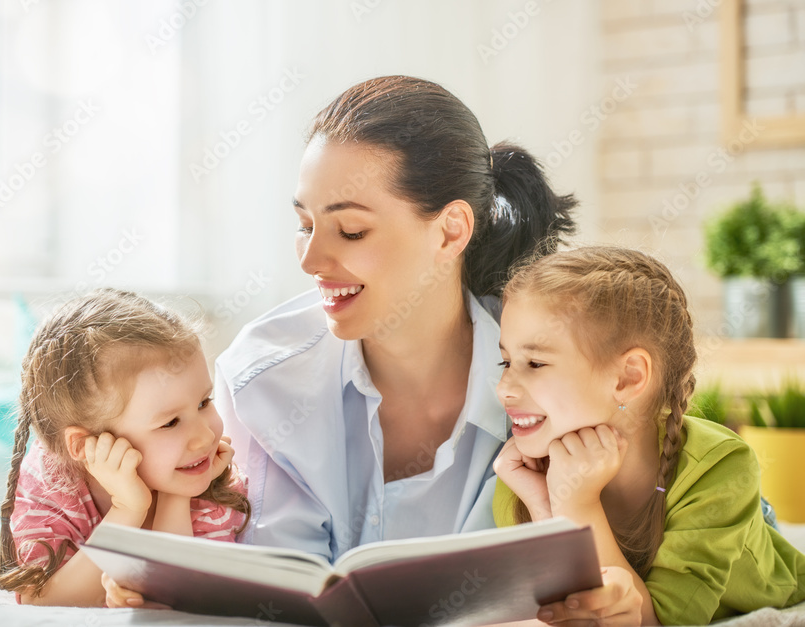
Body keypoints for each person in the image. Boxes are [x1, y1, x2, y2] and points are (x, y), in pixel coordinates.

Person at [106, 75, 637, 620]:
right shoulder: (261, 378)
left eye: (351, 231)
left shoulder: (552, 374)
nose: (310, 261)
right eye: (303, 225)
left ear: (451, 231)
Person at [492, 246, 805, 625]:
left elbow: (661, 620)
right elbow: (578, 607)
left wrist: (578, 503)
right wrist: (546, 505)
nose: (504, 388)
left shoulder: (722, 466)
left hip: (747, 549)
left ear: (628, 378)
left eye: (535, 363)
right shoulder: (523, 476)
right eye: (506, 362)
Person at [0, 289, 249, 607]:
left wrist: (176, 496)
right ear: (87, 446)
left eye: (203, 402)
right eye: (170, 422)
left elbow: (185, 596)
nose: (204, 438)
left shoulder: (214, 480)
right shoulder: (49, 483)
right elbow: (42, 600)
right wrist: (128, 508)